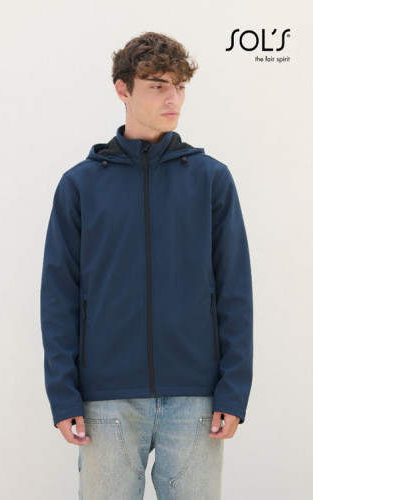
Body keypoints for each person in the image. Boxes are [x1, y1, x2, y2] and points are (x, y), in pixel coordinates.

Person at [40, 31, 253, 499]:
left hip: (196, 399)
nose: (172, 98)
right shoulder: (80, 186)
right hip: (106, 400)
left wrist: (233, 389)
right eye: (157, 85)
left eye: (179, 86)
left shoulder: (211, 180)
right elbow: (59, 296)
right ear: (123, 89)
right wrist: (63, 394)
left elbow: (234, 289)